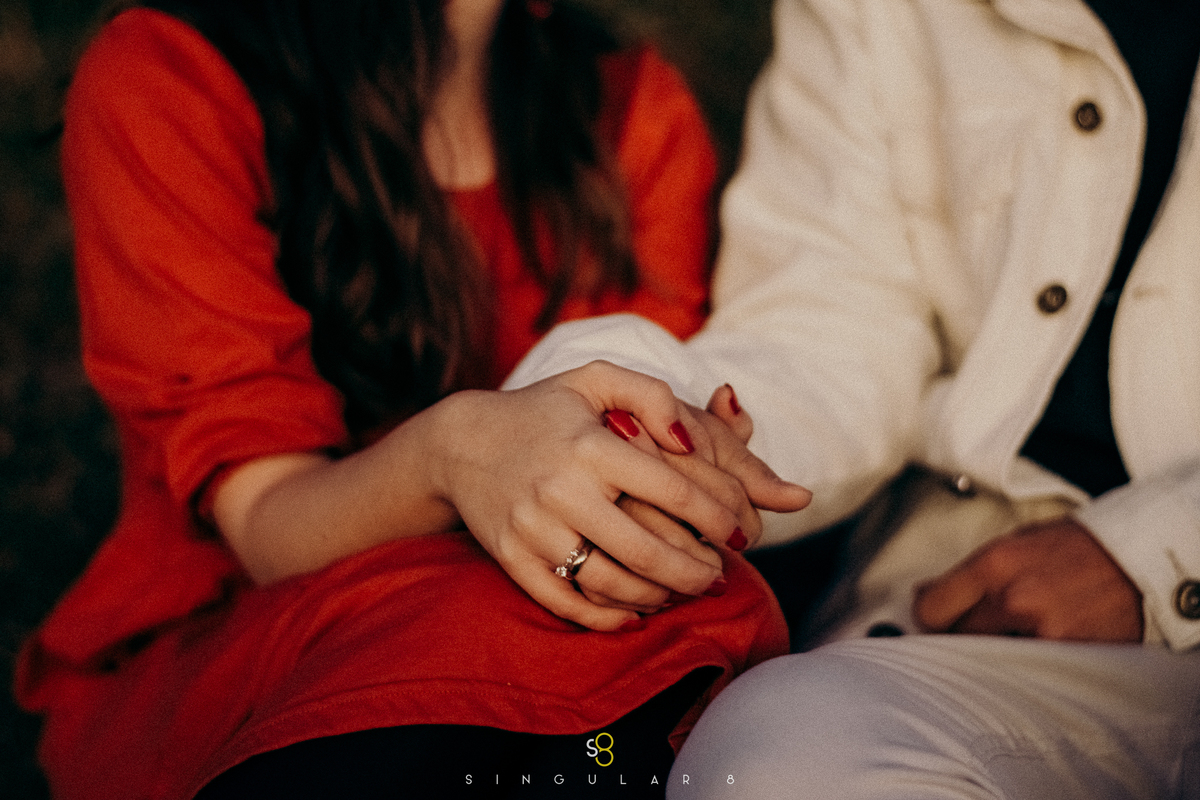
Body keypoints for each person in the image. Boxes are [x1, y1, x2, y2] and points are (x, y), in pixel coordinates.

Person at [13, 1, 812, 798]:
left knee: (687, 609)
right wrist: (453, 452)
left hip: (542, 627)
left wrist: (676, 465)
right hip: (249, 644)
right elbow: (265, 523)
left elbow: (632, 420)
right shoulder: (173, 74)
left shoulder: (632, 102)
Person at [503, 0, 1200, 796]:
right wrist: (633, 416)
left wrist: (1156, 558)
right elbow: (833, 310)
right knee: (777, 762)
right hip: (956, 617)